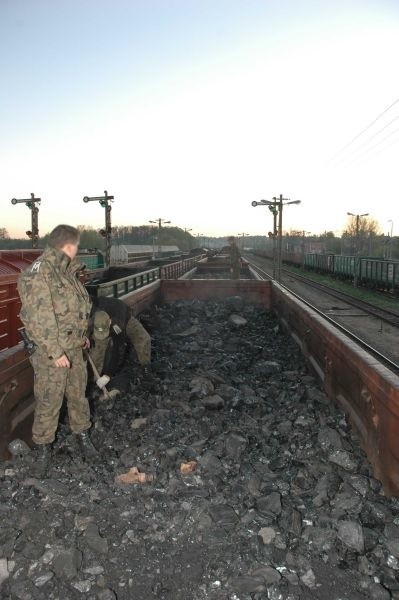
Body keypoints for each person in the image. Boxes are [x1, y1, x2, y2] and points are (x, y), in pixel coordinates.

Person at [18, 224, 97, 476]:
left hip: (72, 348)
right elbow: (37, 317)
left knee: (77, 395)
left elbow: (72, 312)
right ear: (69, 246)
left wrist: (82, 338)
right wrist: (54, 351)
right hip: (51, 353)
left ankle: (81, 435)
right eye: (77, 246)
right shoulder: (39, 273)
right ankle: (43, 449)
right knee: (49, 399)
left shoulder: (66, 272)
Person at [88, 296, 151, 401]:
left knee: (144, 339)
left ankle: (146, 368)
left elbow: (118, 350)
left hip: (126, 318)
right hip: (99, 321)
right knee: (98, 349)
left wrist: (108, 375)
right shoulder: (90, 312)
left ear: (109, 322)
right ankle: (93, 382)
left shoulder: (118, 323)